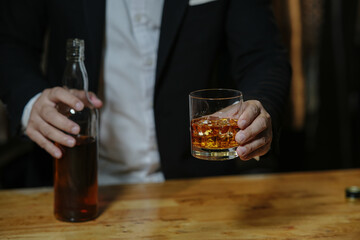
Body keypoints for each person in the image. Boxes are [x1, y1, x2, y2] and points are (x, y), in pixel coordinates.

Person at [0, 0, 291, 187]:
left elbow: (263, 56)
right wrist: (30, 102)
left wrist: (259, 106)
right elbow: (10, 43)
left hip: (196, 183)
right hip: (72, 180)